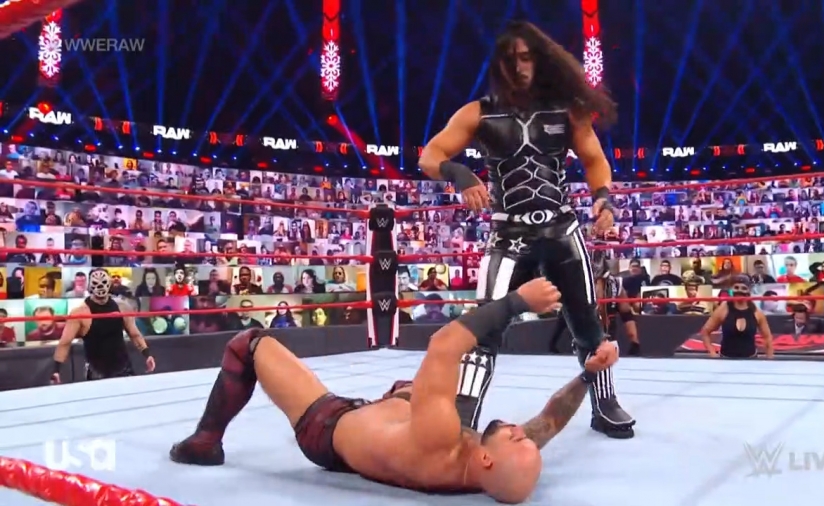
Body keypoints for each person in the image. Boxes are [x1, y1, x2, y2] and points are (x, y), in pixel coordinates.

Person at [169, 278, 619, 503]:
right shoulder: (488, 463)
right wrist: (588, 375)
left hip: (329, 426)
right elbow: (550, 421)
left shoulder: (440, 440)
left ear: (486, 459)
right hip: (386, 424)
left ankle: (204, 442)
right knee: (413, 390)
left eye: (516, 438)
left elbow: (443, 344)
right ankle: (398, 399)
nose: (522, 431)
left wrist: (517, 302)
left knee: (249, 344)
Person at [418, 20, 634, 438]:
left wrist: (603, 197)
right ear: (498, 65)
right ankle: (463, 417)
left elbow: (594, 159)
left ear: (540, 59)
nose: (519, 67)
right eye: (510, 59)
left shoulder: (565, 110)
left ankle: (605, 403)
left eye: (526, 57)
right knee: (484, 326)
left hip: (561, 230)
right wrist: (460, 173)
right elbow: (430, 155)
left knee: (587, 321)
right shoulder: (478, 112)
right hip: (509, 235)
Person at [51, 269, 156, 383]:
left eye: (103, 282)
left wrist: (147, 355)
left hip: (124, 368)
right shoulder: (80, 313)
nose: (100, 286)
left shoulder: (122, 307)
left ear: (109, 283)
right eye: (96, 283)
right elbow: (65, 342)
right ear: (90, 285)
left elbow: (134, 334)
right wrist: (56, 370)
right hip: (97, 372)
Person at [699, 275, 775, 359]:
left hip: (751, 360)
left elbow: (767, 337)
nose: (739, 291)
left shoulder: (756, 312)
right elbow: (705, 332)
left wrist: (769, 359)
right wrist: (712, 353)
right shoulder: (723, 309)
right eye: (736, 287)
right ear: (731, 289)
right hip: (726, 359)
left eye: (744, 288)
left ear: (749, 290)